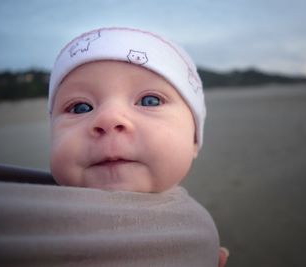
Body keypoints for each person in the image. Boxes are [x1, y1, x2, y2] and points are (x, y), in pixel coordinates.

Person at [48, 26, 228, 267]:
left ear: (194, 138)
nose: (109, 118)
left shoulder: (200, 233)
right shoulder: (23, 225)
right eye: (80, 107)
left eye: (149, 100)